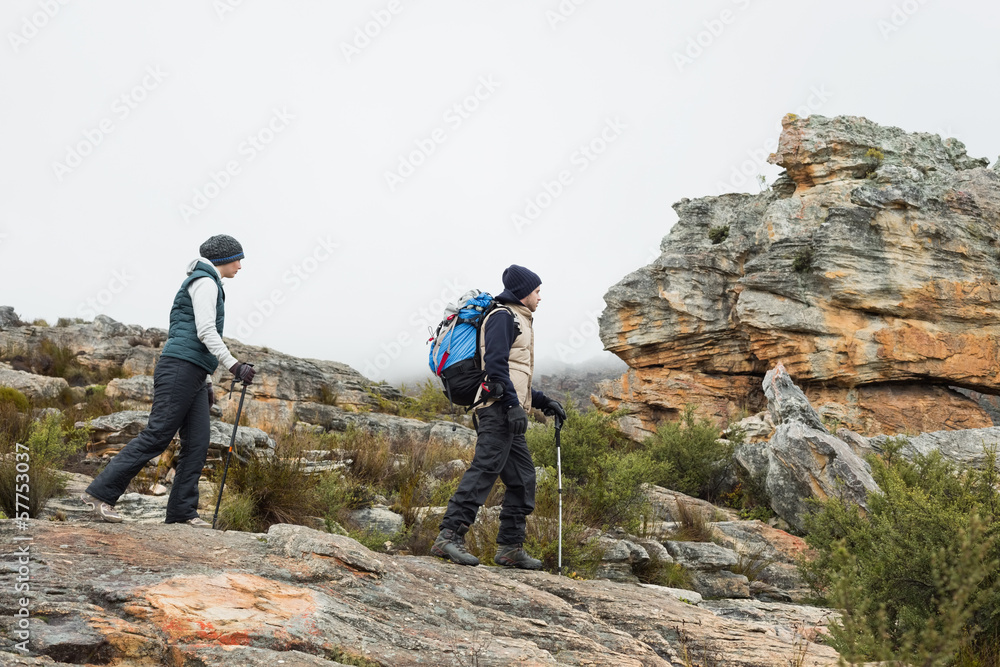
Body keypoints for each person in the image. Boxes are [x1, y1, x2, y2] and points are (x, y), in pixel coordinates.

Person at [81, 235, 256, 526]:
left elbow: (193, 337)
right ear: (223, 259)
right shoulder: (205, 282)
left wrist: (208, 381)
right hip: (179, 369)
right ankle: (100, 495)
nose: (240, 265)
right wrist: (234, 366)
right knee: (158, 435)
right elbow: (205, 332)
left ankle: (181, 513)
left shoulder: (209, 282)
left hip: (195, 374)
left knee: (198, 443)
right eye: (237, 259)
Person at [432, 264, 566, 568]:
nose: (540, 297)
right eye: (537, 291)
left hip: (509, 409)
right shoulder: (502, 317)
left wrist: (544, 402)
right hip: (498, 410)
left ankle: (510, 547)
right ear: (522, 293)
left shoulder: (519, 319)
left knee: (522, 478)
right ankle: (448, 537)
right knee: (484, 470)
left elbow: (516, 373)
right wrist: (510, 405)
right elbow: (494, 366)